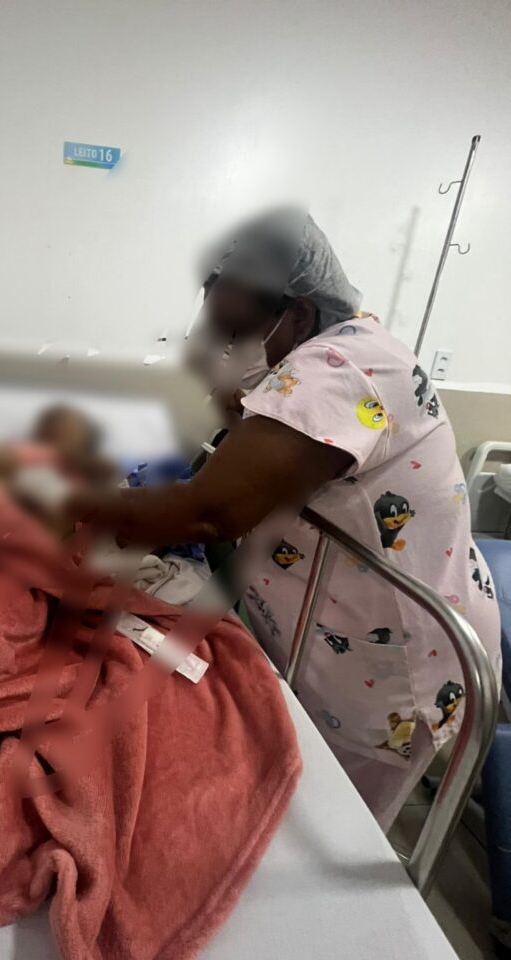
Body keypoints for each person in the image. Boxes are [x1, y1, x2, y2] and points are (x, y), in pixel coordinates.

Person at [69, 207, 501, 831]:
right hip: (326, 637)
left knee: (333, 831)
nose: (227, 349)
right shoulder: (312, 358)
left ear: (298, 313)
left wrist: (72, 507)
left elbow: (212, 510)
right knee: (288, 791)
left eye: (237, 331)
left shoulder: (341, 369)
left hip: (394, 665)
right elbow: (243, 437)